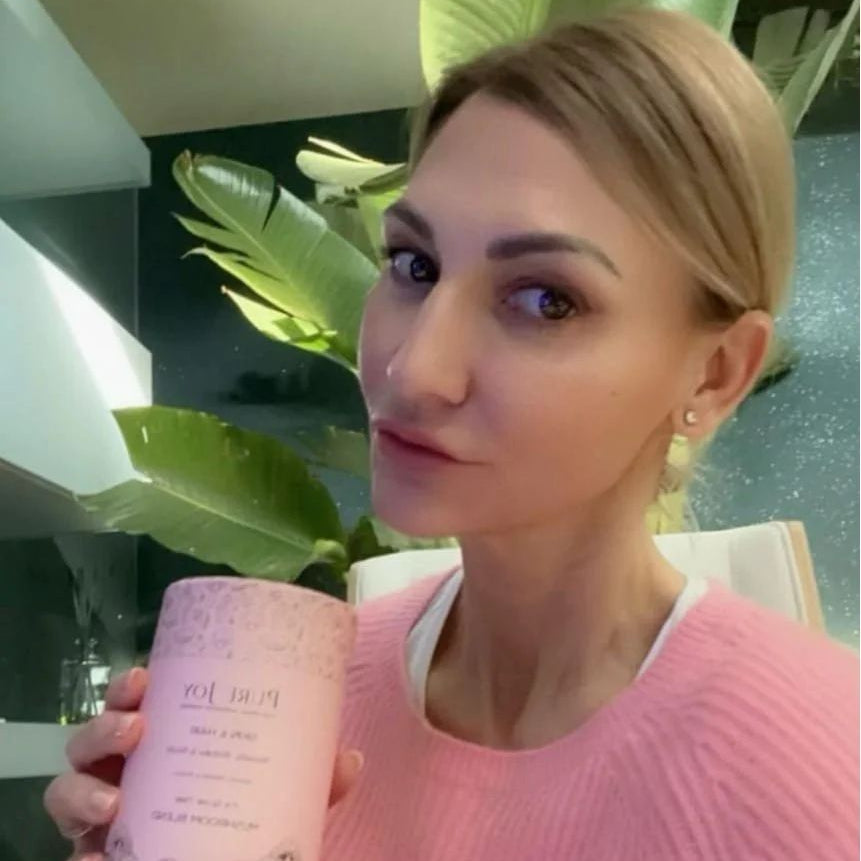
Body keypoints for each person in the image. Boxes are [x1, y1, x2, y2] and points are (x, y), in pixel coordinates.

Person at [45, 8, 858, 860]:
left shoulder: (822, 765)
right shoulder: (297, 694)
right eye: (413, 265)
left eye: (546, 299)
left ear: (716, 372)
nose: (413, 367)